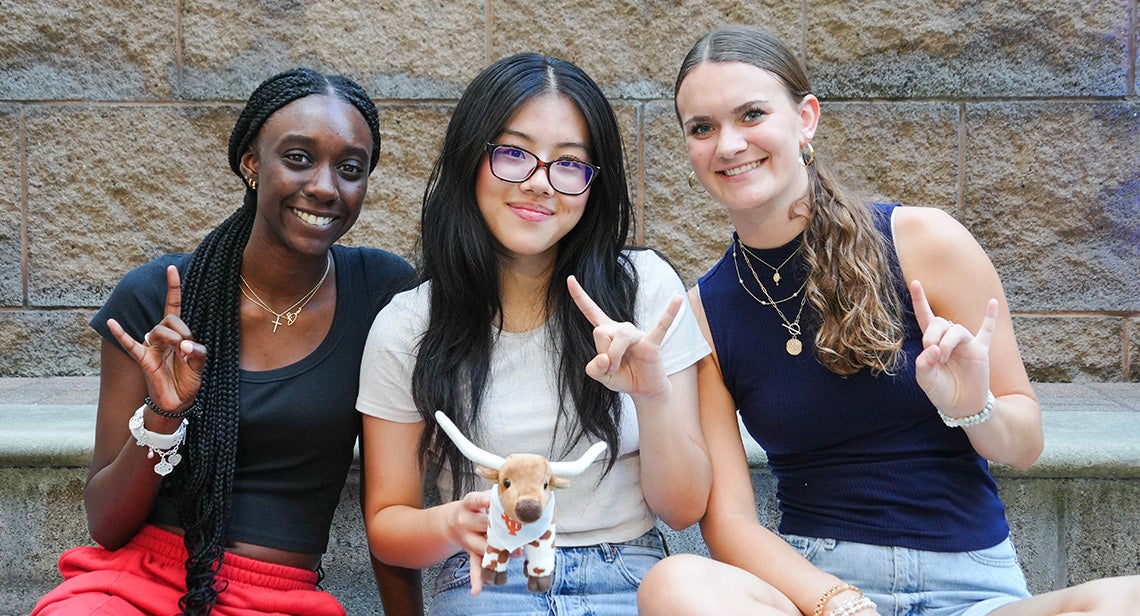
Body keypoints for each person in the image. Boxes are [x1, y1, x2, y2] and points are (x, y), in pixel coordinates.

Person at [637, 24, 1140, 616]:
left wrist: (971, 406)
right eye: (702, 128)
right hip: (820, 591)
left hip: (973, 591)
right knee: (676, 585)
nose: (728, 144)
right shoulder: (706, 313)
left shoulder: (925, 242)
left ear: (805, 119)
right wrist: (837, 601)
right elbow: (729, 524)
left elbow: (1024, 444)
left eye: (751, 115)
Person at [32, 68, 418, 616]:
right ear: (252, 164)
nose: (326, 187)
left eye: (350, 169)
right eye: (299, 157)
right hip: (136, 582)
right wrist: (163, 415)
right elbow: (107, 523)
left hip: (278, 594)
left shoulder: (381, 291)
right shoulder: (157, 297)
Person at [355, 52, 712, 615]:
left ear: (595, 183)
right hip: (489, 576)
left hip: (633, 574)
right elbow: (387, 525)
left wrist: (652, 395)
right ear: (472, 159)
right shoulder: (409, 324)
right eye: (514, 154)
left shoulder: (643, 289)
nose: (541, 183)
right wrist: (451, 523)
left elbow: (684, 508)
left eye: (569, 163)